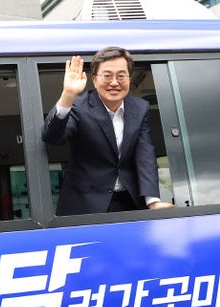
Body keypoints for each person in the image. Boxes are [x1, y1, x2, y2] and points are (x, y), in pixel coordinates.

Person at [42, 46, 174, 216]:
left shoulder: (140, 108)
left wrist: (153, 201)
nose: (114, 82)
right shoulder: (78, 106)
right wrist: (68, 95)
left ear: (129, 78)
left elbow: (145, 154)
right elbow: (52, 137)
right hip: (85, 205)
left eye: (121, 76)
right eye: (107, 75)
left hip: (130, 201)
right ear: (94, 79)